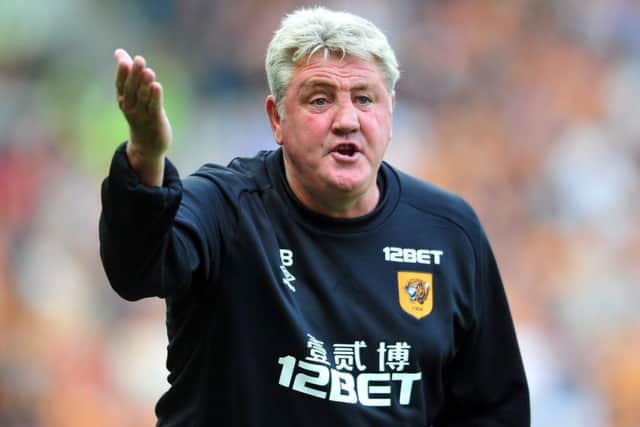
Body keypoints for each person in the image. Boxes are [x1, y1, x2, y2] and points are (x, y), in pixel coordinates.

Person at [99, 6, 530, 426]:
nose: (347, 120)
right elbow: (136, 270)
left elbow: (492, 409)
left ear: (390, 112)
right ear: (277, 118)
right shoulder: (225, 207)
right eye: (320, 100)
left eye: (365, 98)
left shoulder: (449, 231)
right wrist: (144, 155)